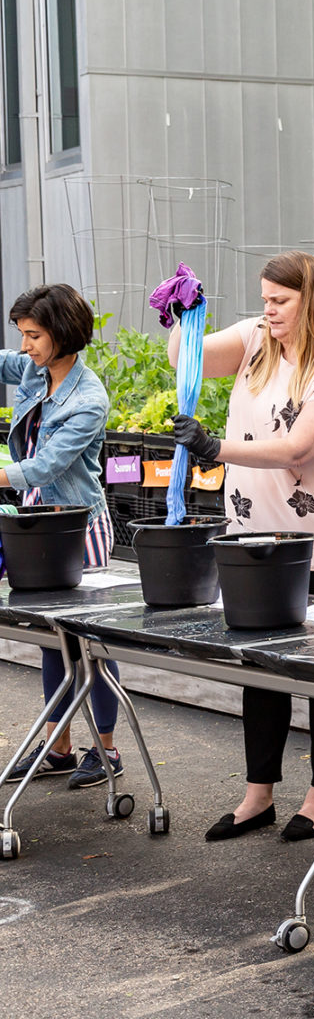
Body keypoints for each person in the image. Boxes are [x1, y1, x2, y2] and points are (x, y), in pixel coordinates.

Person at [165, 251, 314, 843]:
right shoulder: (257, 340)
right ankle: (258, 794)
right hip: (252, 538)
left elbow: (298, 449)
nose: (269, 310)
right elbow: (193, 364)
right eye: (265, 299)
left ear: (312, 301)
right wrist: (183, 318)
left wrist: (215, 448)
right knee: (259, 670)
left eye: (280, 301)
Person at [0, 284, 123, 790]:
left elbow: (47, 465)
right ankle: (60, 747)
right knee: (53, 641)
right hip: (38, 520)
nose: (25, 346)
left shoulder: (88, 398)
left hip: (78, 528)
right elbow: (4, 361)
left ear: (63, 334)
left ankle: (108, 751)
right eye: (22, 335)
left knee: (92, 643)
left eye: (33, 335)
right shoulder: (36, 368)